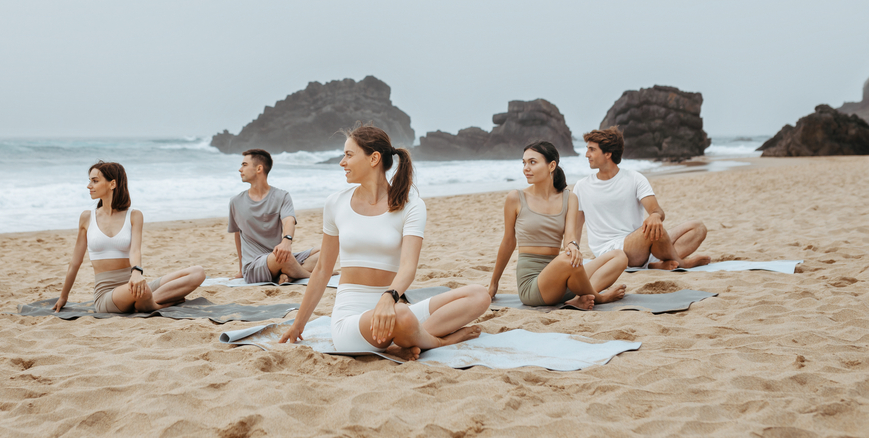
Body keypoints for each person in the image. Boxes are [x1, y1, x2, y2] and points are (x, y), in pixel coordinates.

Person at [279, 125, 490, 359]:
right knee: (404, 316)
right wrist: (298, 324)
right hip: (352, 321)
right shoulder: (335, 203)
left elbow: (408, 267)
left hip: (391, 304)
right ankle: (438, 342)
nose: (342, 162)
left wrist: (388, 298)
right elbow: (322, 270)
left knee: (479, 295)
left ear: (374, 159)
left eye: (349, 155)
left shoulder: (411, 205)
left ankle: (407, 337)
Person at [53, 161, 207, 313]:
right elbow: (75, 262)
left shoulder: (134, 215)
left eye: (95, 181)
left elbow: (135, 251)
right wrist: (63, 297)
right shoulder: (87, 217)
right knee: (143, 290)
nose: (89, 186)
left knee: (198, 272)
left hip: (133, 282)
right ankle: (153, 304)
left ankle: (146, 301)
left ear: (112, 184)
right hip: (107, 295)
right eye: (90, 181)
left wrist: (136, 272)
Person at [488, 141, 627, 309]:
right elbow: (508, 242)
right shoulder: (515, 198)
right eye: (524, 163)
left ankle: (578, 297)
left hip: (563, 278)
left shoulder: (569, 198)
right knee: (568, 259)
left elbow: (570, 237)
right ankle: (598, 297)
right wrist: (494, 283)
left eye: (532, 162)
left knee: (619, 256)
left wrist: (573, 246)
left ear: (551, 165)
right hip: (533, 286)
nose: (526, 168)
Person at [574, 127, 710, 270]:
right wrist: (572, 249)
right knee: (657, 231)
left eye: (592, 150)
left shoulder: (634, 178)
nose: (586, 154)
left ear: (608, 153)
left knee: (698, 228)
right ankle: (681, 263)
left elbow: (657, 210)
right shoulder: (582, 186)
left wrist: (655, 216)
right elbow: (575, 227)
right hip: (611, 252)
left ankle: (657, 263)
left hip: (641, 245)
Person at [229, 149, 320, 284]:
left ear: (259, 168)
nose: (240, 169)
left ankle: (288, 276)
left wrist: (286, 241)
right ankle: (307, 275)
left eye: (244, 165)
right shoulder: (236, 202)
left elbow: (289, 219)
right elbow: (238, 235)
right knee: (285, 258)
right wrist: (241, 269)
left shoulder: (282, 196)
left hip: (278, 256)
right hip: (254, 266)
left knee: (325, 251)